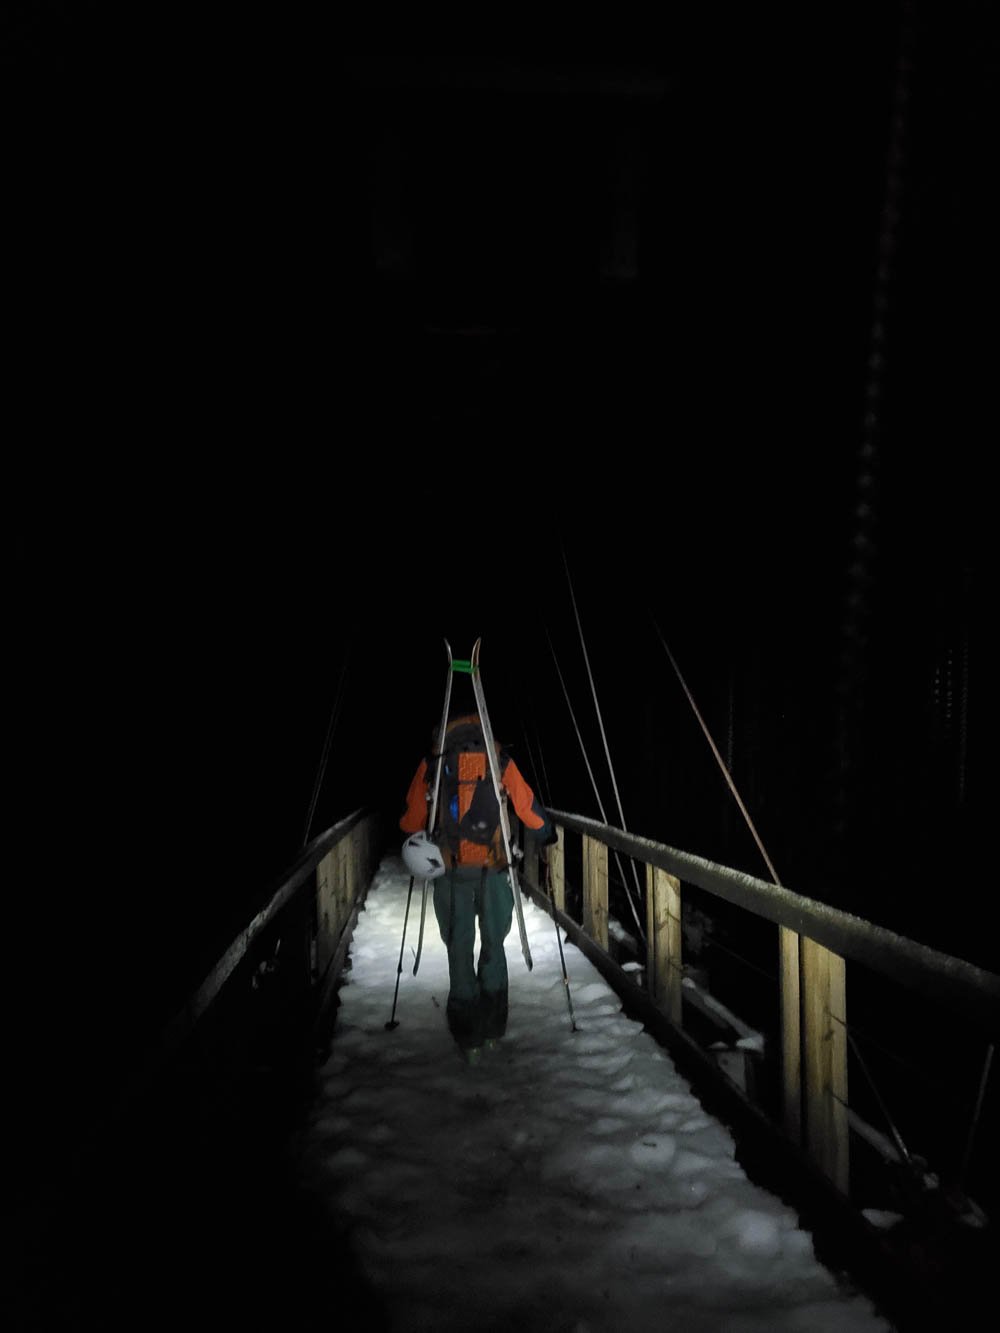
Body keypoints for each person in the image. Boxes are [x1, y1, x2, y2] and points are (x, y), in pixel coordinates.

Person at [400, 712, 556, 1061]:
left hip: (451, 870)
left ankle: (467, 1035)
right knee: (494, 944)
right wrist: (546, 833)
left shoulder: (435, 762)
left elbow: (411, 819)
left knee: (459, 947)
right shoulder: (498, 758)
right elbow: (527, 805)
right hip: (495, 867)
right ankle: (493, 1029)